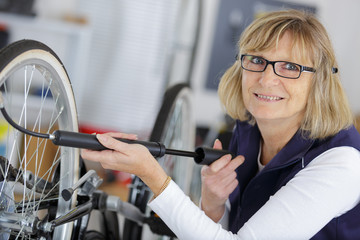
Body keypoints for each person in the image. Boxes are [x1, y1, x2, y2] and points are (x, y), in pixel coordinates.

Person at [81, 9, 360, 239]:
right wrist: (213, 205)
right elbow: (233, 229)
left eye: (290, 67)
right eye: (257, 60)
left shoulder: (341, 164)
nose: (266, 78)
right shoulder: (248, 132)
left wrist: (152, 175)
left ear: (319, 81)